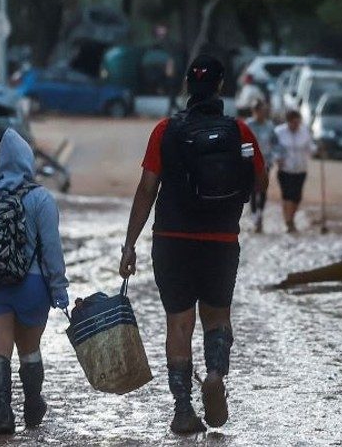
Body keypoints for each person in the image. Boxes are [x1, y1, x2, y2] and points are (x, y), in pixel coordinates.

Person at [118, 54, 268, 435]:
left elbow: (147, 188)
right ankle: (215, 373)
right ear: (220, 87)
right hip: (220, 240)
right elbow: (260, 182)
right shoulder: (240, 132)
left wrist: (129, 244)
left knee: (178, 324)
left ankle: (183, 409)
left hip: (171, 241)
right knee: (216, 318)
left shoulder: (165, 130)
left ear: (187, 87)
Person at [0, 129, 69, 435]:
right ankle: (32, 403)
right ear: (27, 162)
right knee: (29, 349)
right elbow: (52, 251)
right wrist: (58, 289)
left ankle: (2, 411)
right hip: (32, 288)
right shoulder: (40, 199)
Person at [273, 109, 315, 234]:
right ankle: (289, 222)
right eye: (294, 122)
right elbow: (273, 148)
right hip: (285, 169)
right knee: (287, 196)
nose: (296, 125)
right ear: (288, 122)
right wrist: (277, 158)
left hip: (301, 169)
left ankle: (290, 219)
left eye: (298, 122)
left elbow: (310, 147)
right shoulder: (279, 132)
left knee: (297, 197)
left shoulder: (304, 132)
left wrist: (318, 149)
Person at [245, 99, 276, 233]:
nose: (261, 113)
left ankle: (260, 214)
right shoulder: (248, 125)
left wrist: (275, 158)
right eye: (259, 111)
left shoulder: (270, 126)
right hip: (250, 162)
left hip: (265, 162)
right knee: (252, 189)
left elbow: (275, 143)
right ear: (254, 111)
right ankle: (254, 216)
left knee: (263, 189)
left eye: (263, 111)